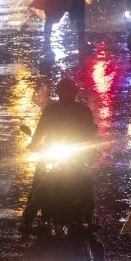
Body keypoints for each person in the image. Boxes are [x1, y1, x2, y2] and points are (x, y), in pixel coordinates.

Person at [22, 78, 98, 228]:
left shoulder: (83, 110)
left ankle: (89, 216)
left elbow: (90, 134)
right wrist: (34, 144)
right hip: (53, 153)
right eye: (64, 92)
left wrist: (91, 152)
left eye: (70, 92)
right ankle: (27, 218)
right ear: (59, 93)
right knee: (39, 180)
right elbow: (40, 130)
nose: (67, 95)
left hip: (75, 156)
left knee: (86, 181)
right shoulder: (50, 110)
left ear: (75, 93)